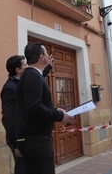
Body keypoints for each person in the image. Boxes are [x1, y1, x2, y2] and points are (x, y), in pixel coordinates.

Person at [15, 42, 74, 174]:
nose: (49, 55)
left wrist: (56, 111)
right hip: (36, 141)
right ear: (41, 57)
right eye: (46, 53)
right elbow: (35, 108)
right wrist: (59, 115)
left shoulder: (33, 75)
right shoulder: (32, 76)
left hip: (35, 140)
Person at [0, 55, 55, 174]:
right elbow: (9, 118)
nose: (28, 66)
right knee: (23, 169)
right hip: (21, 139)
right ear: (18, 70)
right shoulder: (10, 88)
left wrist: (48, 66)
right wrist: (15, 144)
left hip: (30, 138)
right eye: (25, 65)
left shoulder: (24, 81)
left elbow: (38, 79)